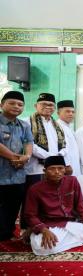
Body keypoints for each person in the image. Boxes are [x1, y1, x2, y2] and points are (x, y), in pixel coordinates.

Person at [24, 156, 83, 256]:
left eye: (60, 168)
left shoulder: (72, 181)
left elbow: (80, 204)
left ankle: (62, 241)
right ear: (45, 171)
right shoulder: (35, 189)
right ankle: (38, 236)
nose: (57, 172)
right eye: (52, 169)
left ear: (65, 169)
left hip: (68, 223)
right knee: (42, 248)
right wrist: (43, 230)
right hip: (48, 225)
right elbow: (30, 215)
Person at [24, 93, 69, 228]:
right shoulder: (27, 122)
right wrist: (50, 158)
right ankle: (27, 228)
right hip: (35, 169)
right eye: (44, 104)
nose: (48, 107)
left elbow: (65, 145)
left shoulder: (57, 125)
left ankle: (48, 225)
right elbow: (30, 144)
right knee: (31, 200)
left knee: (49, 199)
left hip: (54, 169)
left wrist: (59, 155)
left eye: (51, 105)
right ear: (36, 105)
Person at [0, 91, 33, 241]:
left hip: (18, 173)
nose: (16, 106)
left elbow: (28, 142)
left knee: (13, 206)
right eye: (12, 103)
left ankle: (7, 233)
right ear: (2, 105)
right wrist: (15, 157)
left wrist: (26, 156)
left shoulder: (24, 125)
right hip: (1, 172)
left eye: (20, 104)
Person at [56, 100, 81, 176]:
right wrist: (66, 164)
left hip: (74, 164)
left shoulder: (69, 128)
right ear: (58, 113)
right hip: (66, 167)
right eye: (67, 111)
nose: (71, 114)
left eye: (73, 112)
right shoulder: (57, 127)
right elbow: (60, 148)